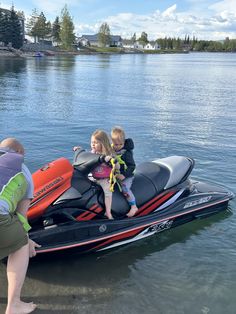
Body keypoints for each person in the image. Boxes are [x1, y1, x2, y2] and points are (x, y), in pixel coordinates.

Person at [0, 138, 40, 314]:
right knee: (21, 244)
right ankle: (14, 304)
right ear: (20, 153)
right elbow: (21, 217)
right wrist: (26, 238)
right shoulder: (22, 169)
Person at [74, 130, 119, 220]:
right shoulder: (93, 152)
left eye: (95, 143)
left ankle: (108, 212)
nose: (93, 145)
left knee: (108, 193)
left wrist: (111, 161)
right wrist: (80, 150)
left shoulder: (109, 154)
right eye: (92, 142)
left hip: (105, 178)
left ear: (103, 143)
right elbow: (87, 157)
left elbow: (117, 166)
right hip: (94, 177)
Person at [111, 126, 138, 217]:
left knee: (124, 188)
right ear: (112, 142)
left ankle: (133, 206)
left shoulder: (126, 153)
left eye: (120, 144)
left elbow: (132, 166)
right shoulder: (111, 150)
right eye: (115, 144)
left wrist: (124, 175)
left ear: (124, 142)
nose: (118, 147)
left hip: (127, 175)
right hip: (114, 175)